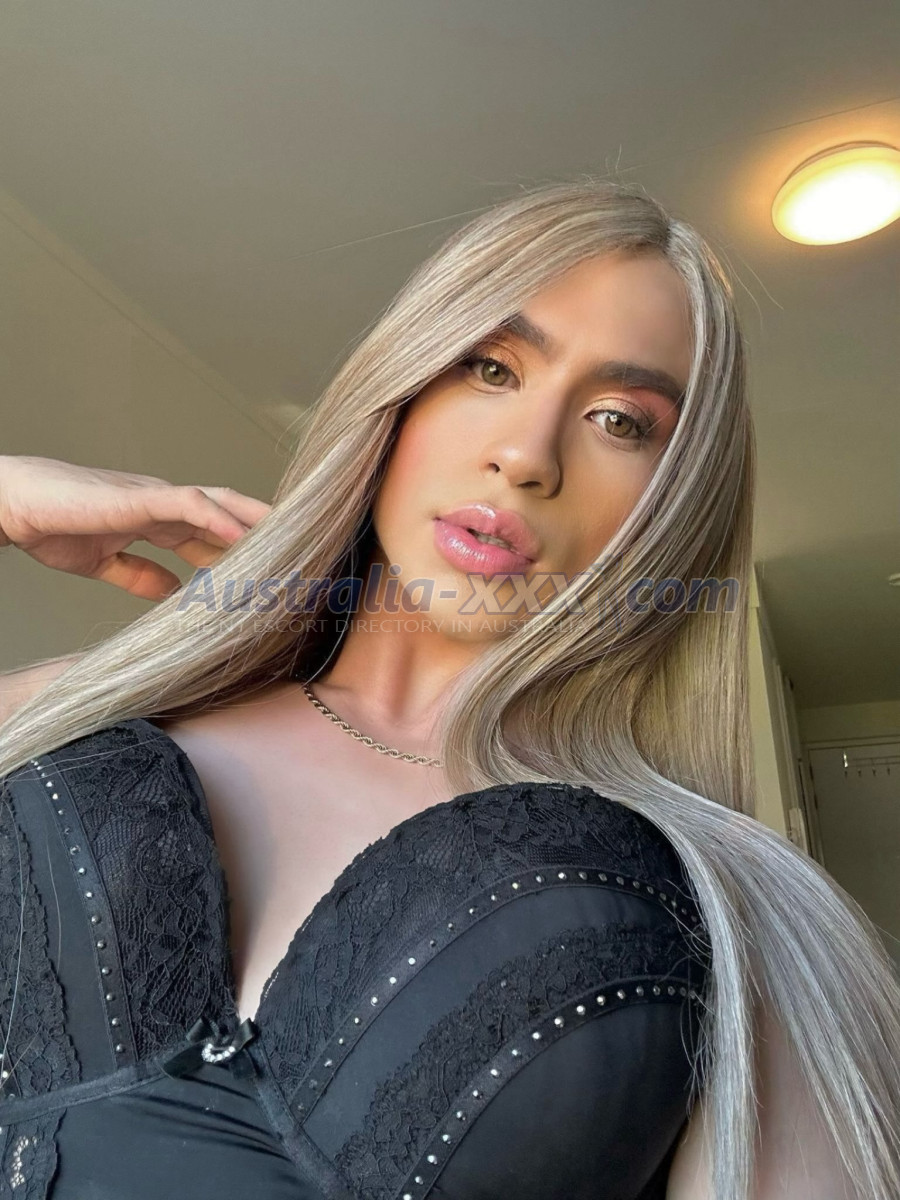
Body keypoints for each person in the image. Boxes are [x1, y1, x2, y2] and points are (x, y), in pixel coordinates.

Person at [0, 179, 897, 1200]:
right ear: (404, 388)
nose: (525, 456)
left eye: (619, 420)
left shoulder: (731, 910)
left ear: (674, 507)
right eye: (490, 367)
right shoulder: (70, 716)